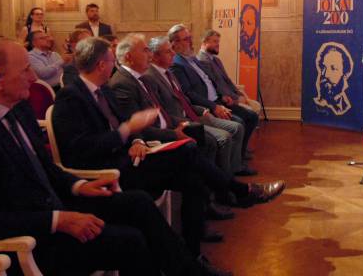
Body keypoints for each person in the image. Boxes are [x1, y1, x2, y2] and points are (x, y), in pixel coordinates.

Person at [0, 39, 210, 275]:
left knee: (138, 203)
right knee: (130, 241)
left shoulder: (18, 108)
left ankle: (189, 270)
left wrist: (79, 185)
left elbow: (45, 168)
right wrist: (57, 221)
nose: (33, 77)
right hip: (26, 240)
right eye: (25, 69)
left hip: (51, 208)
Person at [52, 38, 285, 272]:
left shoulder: (103, 90)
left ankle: (194, 256)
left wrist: (136, 139)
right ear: (102, 65)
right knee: (187, 151)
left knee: (193, 180)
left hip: (132, 157)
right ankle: (240, 192)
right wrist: (128, 131)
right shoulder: (70, 97)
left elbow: (123, 124)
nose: (115, 64)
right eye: (112, 60)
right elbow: (81, 148)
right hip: (108, 171)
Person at [148, 35, 245, 175]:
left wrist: (201, 109)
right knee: (223, 137)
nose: (173, 54)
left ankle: (228, 175)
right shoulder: (153, 76)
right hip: (181, 121)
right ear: (155, 56)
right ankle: (222, 180)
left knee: (236, 127)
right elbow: (164, 110)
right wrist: (201, 112)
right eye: (168, 51)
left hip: (195, 112)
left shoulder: (169, 72)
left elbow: (183, 98)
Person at [169, 24, 259, 174]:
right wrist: (213, 106)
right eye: (186, 39)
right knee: (239, 123)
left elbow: (211, 81)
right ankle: (234, 166)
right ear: (175, 43)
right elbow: (188, 93)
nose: (190, 41)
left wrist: (223, 96)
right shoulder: (176, 64)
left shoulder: (192, 59)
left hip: (217, 100)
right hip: (205, 106)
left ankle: (236, 161)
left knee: (248, 117)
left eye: (190, 38)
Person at [197, 29, 262, 114]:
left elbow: (227, 80)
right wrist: (236, 98)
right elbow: (216, 86)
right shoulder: (202, 60)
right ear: (205, 42)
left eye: (218, 42)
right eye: (215, 41)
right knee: (251, 114)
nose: (218, 44)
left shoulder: (216, 60)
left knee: (256, 106)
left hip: (232, 96)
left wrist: (239, 94)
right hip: (224, 101)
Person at [313, 42, 354, 116]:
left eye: (333, 68)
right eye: (323, 67)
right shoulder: (313, 105)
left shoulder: (347, 106)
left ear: (344, 74)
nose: (326, 74)